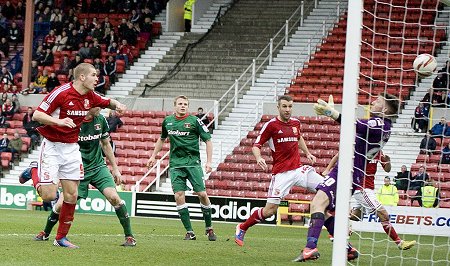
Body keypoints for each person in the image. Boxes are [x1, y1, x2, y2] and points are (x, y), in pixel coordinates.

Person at [294, 93, 415, 262]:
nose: (373, 102)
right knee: (325, 212)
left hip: (348, 172)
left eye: (378, 101)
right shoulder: (383, 127)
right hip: (350, 171)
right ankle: (348, 250)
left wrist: (331, 113)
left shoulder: (380, 124)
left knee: (317, 203)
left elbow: (355, 125)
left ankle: (310, 248)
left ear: (385, 109)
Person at [29, 63, 126, 248]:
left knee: (71, 195)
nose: (97, 78)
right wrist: (59, 121)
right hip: (52, 146)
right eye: (94, 75)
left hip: (72, 148)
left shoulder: (90, 96)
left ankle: (61, 238)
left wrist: (118, 105)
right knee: (48, 196)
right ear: (82, 77)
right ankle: (34, 170)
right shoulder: (61, 93)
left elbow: (107, 101)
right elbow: (37, 115)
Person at [25, 107, 136, 246]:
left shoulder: (100, 120)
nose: (100, 109)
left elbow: (106, 144)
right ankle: (45, 233)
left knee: (115, 198)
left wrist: (115, 168)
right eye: (98, 106)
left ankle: (129, 237)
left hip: (98, 167)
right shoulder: (73, 122)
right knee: (60, 205)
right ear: (88, 107)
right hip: (78, 169)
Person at [234, 95, 324, 249]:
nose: (287, 110)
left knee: (326, 189)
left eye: (290, 106)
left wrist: (308, 153)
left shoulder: (296, 123)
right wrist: (258, 158)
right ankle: (242, 227)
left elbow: (299, 137)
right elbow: (256, 145)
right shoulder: (271, 125)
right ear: (278, 107)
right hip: (282, 174)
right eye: (284, 106)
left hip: (299, 169)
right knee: (269, 211)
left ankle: (333, 234)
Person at [147, 95, 217, 241]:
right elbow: (161, 139)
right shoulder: (168, 121)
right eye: (180, 103)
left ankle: (209, 228)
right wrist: (153, 156)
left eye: (185, 104)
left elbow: (208, 141)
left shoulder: (195, 121)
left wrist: (209, 162)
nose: (183, 106)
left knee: (202, 194)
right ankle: (189, 231)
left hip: (193, 164)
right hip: (176, 165)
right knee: (179, 196)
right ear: (175, 106)